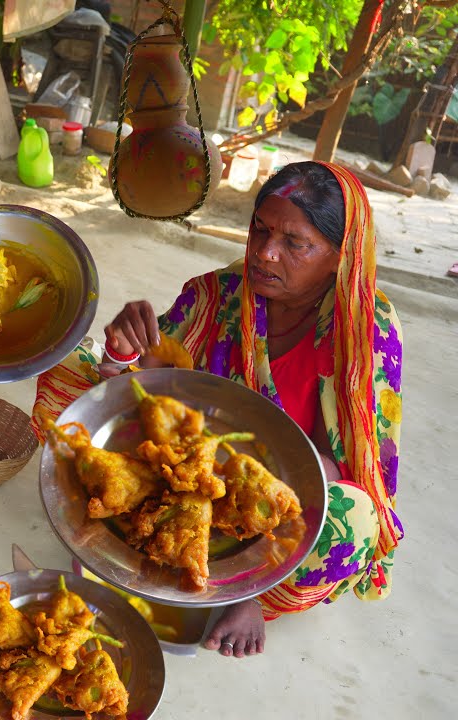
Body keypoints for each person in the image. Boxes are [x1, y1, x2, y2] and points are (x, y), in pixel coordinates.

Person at [33, 161, 404, 658]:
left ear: (340, 256)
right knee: (65, 377)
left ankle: (247, 592)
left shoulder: (364, 332)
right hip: (172, 460)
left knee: (353, 524)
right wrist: (122, 350)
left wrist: (252, 518)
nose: (264, 253)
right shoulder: (219, 294)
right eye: (260, 230)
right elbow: (137, 388)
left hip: (280, 490)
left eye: (295, 244)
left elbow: (351, 467)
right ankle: (141, 526)